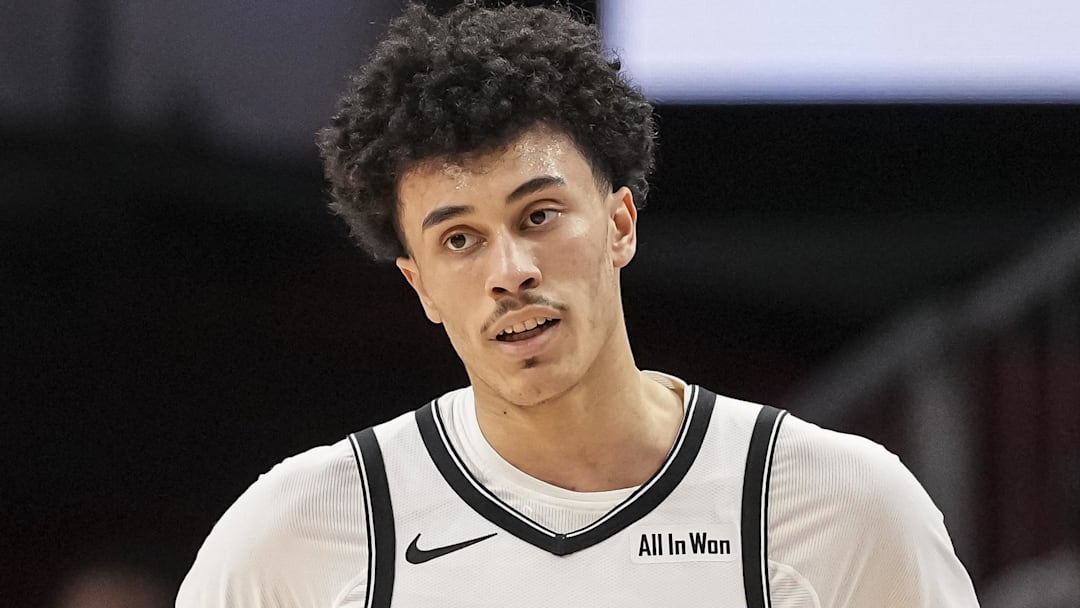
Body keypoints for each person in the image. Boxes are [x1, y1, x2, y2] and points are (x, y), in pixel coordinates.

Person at [177, 3, 980, 606]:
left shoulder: (837, 502)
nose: (511, 270)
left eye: (539, 216)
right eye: (459, 239)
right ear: (418, 283)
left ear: (619, 224)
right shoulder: (303, 528)